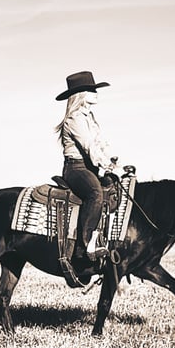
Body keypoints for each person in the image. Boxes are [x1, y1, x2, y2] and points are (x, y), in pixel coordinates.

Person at [54, 70, 118, 264]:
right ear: (81, 94)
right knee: (95, 193)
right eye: (91, 89)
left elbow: (100, 143)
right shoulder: (74, 118)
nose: (95, 92)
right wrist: (105, 164)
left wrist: (115, 161)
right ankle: (86, 244)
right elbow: (88, 146)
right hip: (76, 169)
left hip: (90, 167)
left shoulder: (89, 117)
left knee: (113, 189)